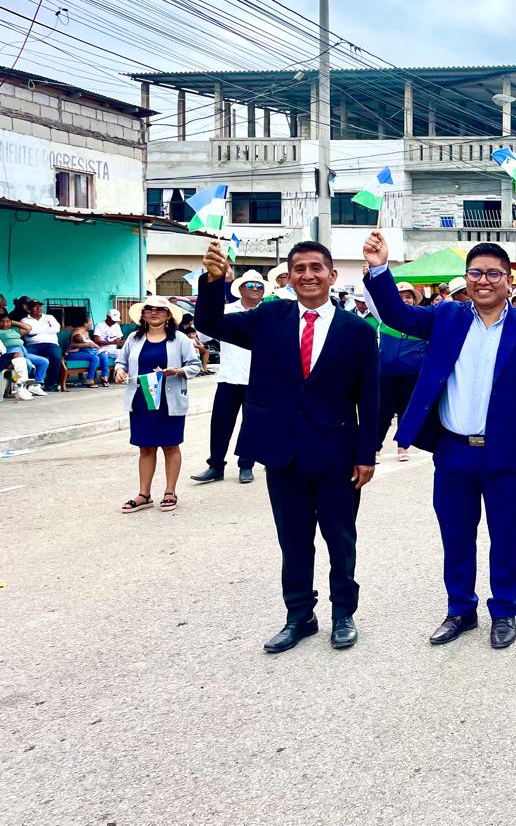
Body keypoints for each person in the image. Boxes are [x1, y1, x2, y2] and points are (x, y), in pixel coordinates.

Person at [363, 230, 516, 650]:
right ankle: (460, 610)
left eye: (493, 273)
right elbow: (397, 316)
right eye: (475, 273)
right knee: (456, 535)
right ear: (466, 278)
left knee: (507, 536)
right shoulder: (446, 317)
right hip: (453, 450)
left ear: (508, 279)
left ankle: (503, 611)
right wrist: (380, 268)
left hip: (507, 452)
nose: (483, 281)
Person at [196, 240, 379, 654]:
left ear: (332, 276)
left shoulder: (358, 331)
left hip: (336, 455)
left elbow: (369, 398)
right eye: (299, 269)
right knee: (293, 539)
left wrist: (365, 454)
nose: (308, 275)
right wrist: (212, 282)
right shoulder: (268, 318)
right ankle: (299, 615)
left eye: (316, 268)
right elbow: (210, 322)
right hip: (282, 452)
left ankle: (343, 614)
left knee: (340, 539)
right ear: (290, 277)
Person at [114, 297, 202, 513]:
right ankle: (144, 494)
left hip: (169, 401)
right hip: (141, 399)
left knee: (170, 445)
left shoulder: (180, 339)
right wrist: (119, 371)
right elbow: (121, 361)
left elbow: (195, 365)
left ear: (168, 314)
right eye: (149, 309)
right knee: (145, 447)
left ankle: (170, 491)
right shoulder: (134, 338)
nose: (154, 313)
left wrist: (177, 371)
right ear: (143, 315)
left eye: (160, 310)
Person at [191, 269, 266, 486]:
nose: (255, 289)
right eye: (250, 285)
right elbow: (204, 334)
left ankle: (246, 465)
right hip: (229, 377)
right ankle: (215, 465)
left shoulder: (268, 314)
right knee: (220, 424)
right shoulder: (226, 311)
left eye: (259, 286)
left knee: (252, 425)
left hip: (257, 380)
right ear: (240, 289)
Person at [375, 281, 429, 463]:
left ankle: (403, 446)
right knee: (383, 411)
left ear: (414, 300)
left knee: (406, 410)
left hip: (411, 373)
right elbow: (370, 296)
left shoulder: (422, 322)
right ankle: (375, 447)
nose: (405, 300)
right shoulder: (384, 317)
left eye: (408, 297)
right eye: (400, 297)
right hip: (386, 373)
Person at [20, 299, 62, 391]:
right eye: (35, 307)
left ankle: (50, 384)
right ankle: (32, 383)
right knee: (25, 358)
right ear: (29, 310)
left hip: (51, 344)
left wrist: (36, 330)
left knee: (56, 357)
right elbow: (30, 332)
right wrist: (47, 329)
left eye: (40, 306)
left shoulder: (49, 317)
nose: (39, 308)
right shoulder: (24, 320)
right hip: (33, 345)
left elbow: (57, 329)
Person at [66, 319, 111, 387]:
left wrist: (93, 346)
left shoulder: (86, 332)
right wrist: (88, 344)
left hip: (86, 351)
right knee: (95, 358)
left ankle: (104, 376)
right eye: (90, 322)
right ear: (85, 323)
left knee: (103, 355)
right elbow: (72, 345)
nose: (92, 324)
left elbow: (89, 343)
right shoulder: (76, 331)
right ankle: (89, 379)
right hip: (74, 352)